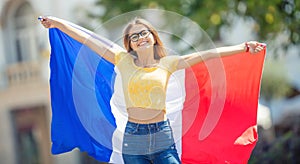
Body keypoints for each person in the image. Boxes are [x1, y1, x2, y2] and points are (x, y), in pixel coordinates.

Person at [39, 16, 265, 164]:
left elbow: (207, 55)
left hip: (162, 136)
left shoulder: (168, 63)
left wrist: (243, 47)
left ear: (152, 36)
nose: (140, 38)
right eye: (134, 36)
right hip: (133, 138)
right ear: (130, 44)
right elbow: (88, 39)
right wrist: (58, 23)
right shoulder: (122, 60)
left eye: (144, 33)